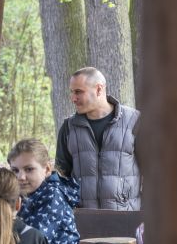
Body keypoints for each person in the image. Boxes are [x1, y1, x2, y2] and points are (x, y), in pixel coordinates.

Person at [55, 67, 141, 210]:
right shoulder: (69, 127)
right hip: (83, 221)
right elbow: (61, 175)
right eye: (72, 92)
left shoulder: (134, 121)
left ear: (99, 89)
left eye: (78, 92)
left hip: (126, 219)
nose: (73, 98)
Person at [8, 138, 80, 244]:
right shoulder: (22, 195)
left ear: (47, 169)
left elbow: (35, 241)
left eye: (29, 169)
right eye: (15, 170)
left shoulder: (53, 195)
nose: (21, 177)